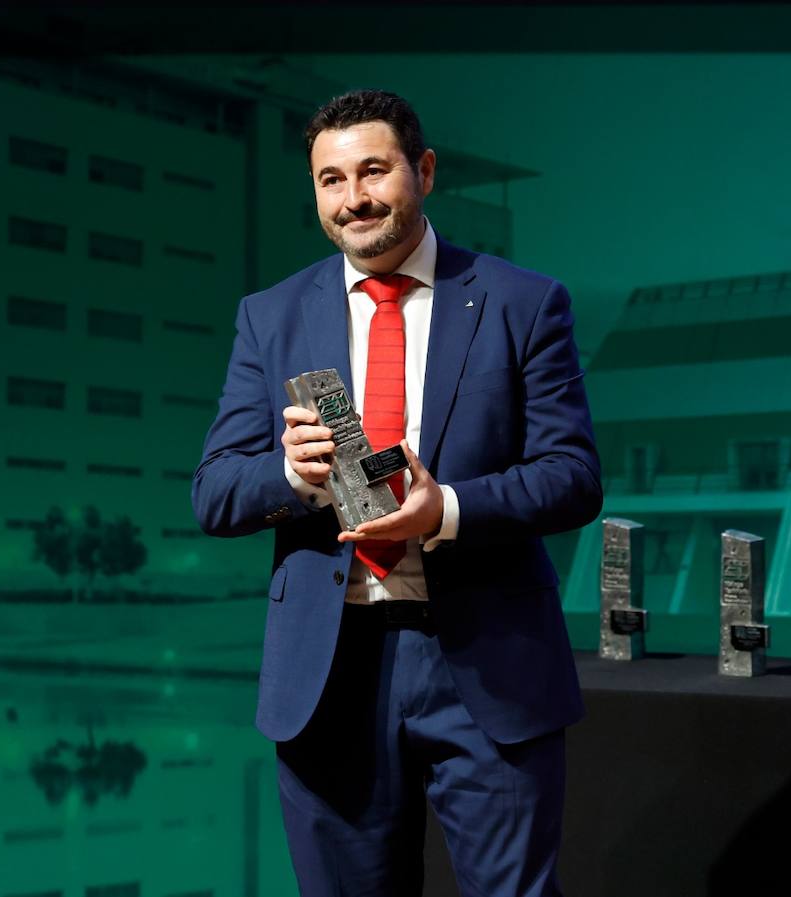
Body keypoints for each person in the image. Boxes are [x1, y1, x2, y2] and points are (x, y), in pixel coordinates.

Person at [193, 89, 601, 897]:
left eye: (374, 170)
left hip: (487, 669)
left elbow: (573, 475)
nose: (355, 199)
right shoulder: (270, 316)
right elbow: (214, 491)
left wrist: (444, 510)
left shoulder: (523, 302)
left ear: (424, 170)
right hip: (328, 674)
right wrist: (292, 477)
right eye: (331, 179)